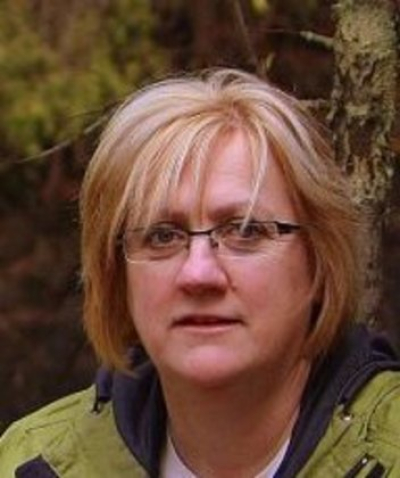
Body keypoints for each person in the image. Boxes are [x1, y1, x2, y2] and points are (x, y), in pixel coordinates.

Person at [1, 68, 400, 478]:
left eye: (245, 230)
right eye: (162, 236)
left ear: (320, 261)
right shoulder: (31, 462)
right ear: (117, 276)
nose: (198, 274)